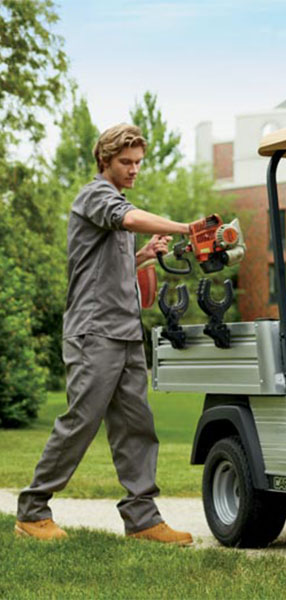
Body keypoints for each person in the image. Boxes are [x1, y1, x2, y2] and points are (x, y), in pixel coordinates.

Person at [15, 124, 197, 543]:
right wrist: (188, 227)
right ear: (105, 161)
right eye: (125, 163)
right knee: (82, 420)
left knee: (137, 425)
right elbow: (130, 218)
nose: (134, 170)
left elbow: (107, 272)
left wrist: (145, 256)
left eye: (138, 163)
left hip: (126, 333)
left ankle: (143, 519)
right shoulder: (95, 196)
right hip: (94, 332)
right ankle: (32, 511)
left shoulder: (119, 207)